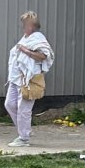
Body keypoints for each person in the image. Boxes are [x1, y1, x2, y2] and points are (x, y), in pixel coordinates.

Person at [5, 11, 54, 148]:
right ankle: (24, 130)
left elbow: (44, 56)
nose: (23, 27)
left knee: (24, 109)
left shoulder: (37, 38)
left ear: (31, 26)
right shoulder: (25, 38)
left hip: (29, 80)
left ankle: (23, 138)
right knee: (10, 104)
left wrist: (26, 51)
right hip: (16, 79)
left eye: (25, 24)